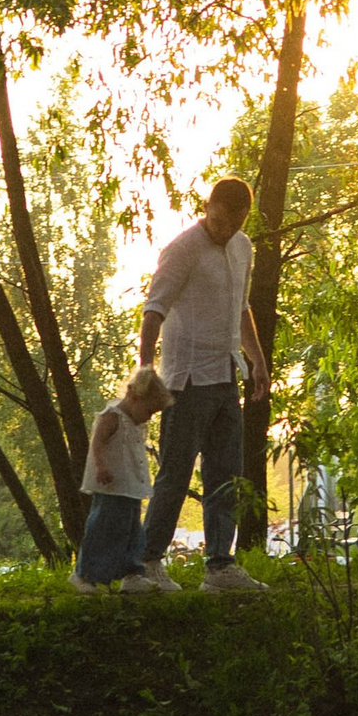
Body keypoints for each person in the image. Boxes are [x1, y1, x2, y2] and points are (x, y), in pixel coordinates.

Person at [136, 177, 266, 592]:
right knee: (174, 474)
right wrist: (145, 368)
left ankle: (220, 567)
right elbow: (153, 309)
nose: (223, 229)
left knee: (226, 474)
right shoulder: (183, 248)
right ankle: (146, 564)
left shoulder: (243, 247)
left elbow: (241, 307)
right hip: (186, 381)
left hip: (227, 375)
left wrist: (257, 359)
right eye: (218, 220)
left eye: (234, 222)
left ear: (245, 217)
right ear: (207, 206)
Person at [74, 365, 170, 590]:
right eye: (149, 411)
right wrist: (100, 465)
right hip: (111, 485)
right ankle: (85, 574)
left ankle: (132, 573)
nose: (150, 417)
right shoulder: (112, 416)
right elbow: (97, 443)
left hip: (130, 485)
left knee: (132, 531)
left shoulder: (135, 423)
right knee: (103, 528)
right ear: (136, 398)